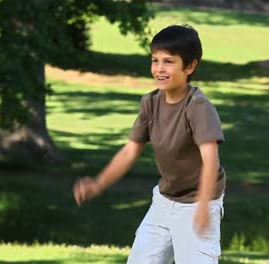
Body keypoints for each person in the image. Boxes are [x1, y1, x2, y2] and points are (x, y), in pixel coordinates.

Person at [73, 24, 226, 264]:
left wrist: (205, 207)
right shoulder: (150, 103)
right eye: (155, 60)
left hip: (197, 203)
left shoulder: (198, 108)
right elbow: (129, 151)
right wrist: (98, 183)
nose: (159, 69)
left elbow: (211, 160)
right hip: (164, 201)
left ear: (190, 66)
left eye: (168, 62)